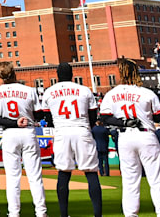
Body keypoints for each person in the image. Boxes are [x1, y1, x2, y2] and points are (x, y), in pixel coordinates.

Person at [98, 58, 160, 217]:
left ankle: (131, 215)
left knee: (130, 182)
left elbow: (104, 117)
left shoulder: (112, 93)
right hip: (146, 136)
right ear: (136, 72)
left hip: (125, 137)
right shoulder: (146, 92)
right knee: (157, 180)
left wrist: (123, 121)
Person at [39, 62, 101, 217]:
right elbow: (93, 115)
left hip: (62, 131)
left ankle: (64, 214)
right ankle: (98, 215)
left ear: (57, 75)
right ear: (72, 74)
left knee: (64, 173)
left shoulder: (49, 91)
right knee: (91, 173)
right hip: (82, 129)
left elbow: (47, 117)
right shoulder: (84, 90)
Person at [0, 61, 47, 217]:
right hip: (28, 131)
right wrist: (27, 116)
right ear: (13, 72)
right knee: (35, 176)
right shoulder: (29, 90)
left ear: (0, 75)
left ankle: (14, 213)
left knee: (13, 177)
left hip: (9, 134)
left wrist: (13, 121)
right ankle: (41, 212)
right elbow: (40, 114)